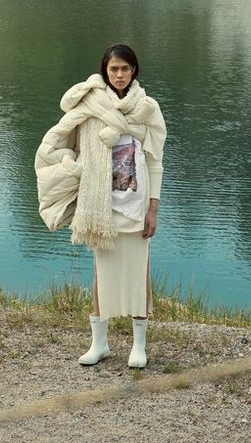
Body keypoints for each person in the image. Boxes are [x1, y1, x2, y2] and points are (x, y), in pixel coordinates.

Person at [35, 43, 166, 368]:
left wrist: (154, 208)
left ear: (133, 70)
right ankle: (100, 343)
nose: (119, 74)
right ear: (105, 72)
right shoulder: (87, 107)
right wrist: (72, 165)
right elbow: (54, 143)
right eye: (114, 69)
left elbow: (155, 162)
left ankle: (138, 346)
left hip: (136, 204)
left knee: (139, 273)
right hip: (100, 206)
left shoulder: (147, 109)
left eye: (125, 68)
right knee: (102, 274)